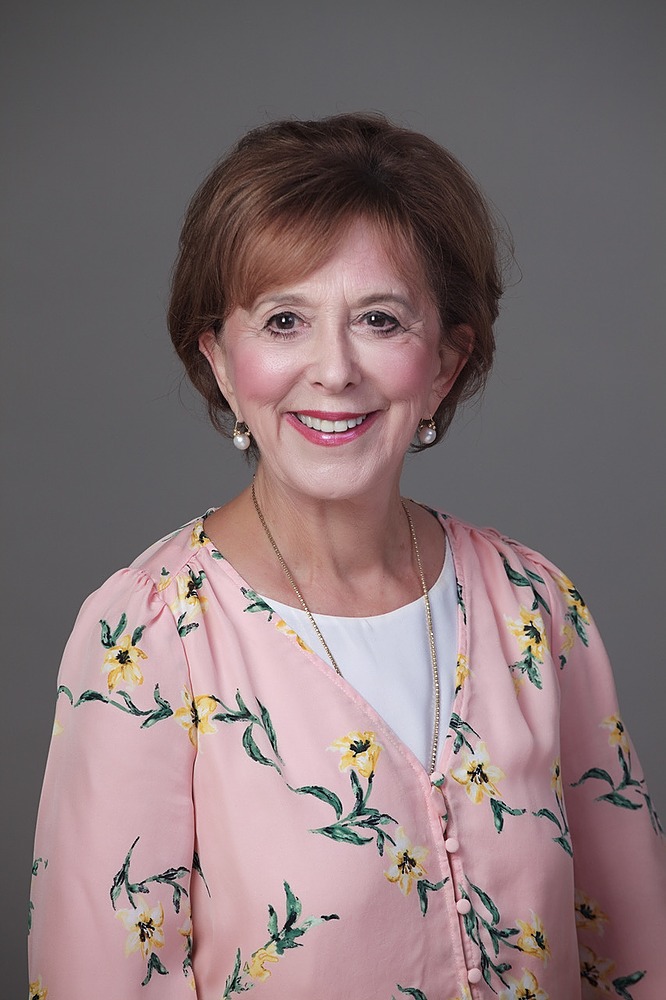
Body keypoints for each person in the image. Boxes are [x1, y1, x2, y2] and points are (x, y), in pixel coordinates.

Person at [28, 114, 664, 1000]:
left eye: (380, 319)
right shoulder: (149, 638)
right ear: (219, 359)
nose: (334, 370)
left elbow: (635, 964)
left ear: (445, 361)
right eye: (284, 320)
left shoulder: (536, 607)